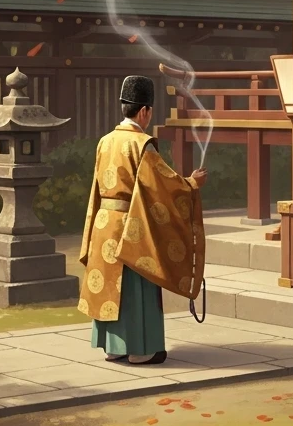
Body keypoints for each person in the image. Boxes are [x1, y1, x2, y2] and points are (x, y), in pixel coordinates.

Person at [78, 75, 207, 365]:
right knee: (137, 284)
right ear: (144, 111)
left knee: (110, 283)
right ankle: (140, 349)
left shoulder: (105, 141)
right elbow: (160, 184)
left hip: (104, 221)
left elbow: (97, 186)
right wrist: (190, 184)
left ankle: (113, 347)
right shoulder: (142, 144)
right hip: (130, 224)